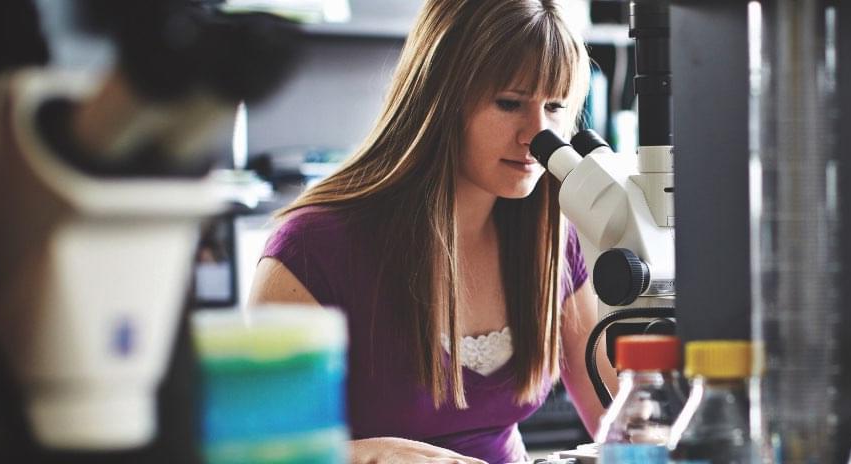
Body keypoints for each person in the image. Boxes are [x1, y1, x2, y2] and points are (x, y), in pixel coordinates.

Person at [248, 1, 616, 462]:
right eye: (509, 103)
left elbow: (621, 418)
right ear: (439, 97)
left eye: (556, 108)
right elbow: (259, 453)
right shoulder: (312, 249)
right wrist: (370, 456)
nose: (536, 135)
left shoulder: (552, 240)